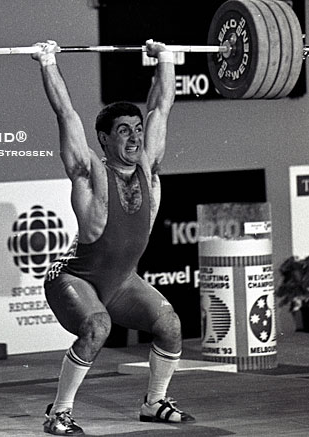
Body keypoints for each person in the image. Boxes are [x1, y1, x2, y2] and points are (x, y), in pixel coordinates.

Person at [32, 39, 194, 436]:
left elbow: (161, 106)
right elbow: (65, 112)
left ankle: (154, 402)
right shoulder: (89, 173)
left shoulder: (148, 168)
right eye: (123, 131)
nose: (134, 137)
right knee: (97, 327)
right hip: (72, 279)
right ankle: (60, 414)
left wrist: (166, 59)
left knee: (170, 324)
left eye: (137, 130)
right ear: (104, 139)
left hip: (120, 281)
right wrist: (47, 61)